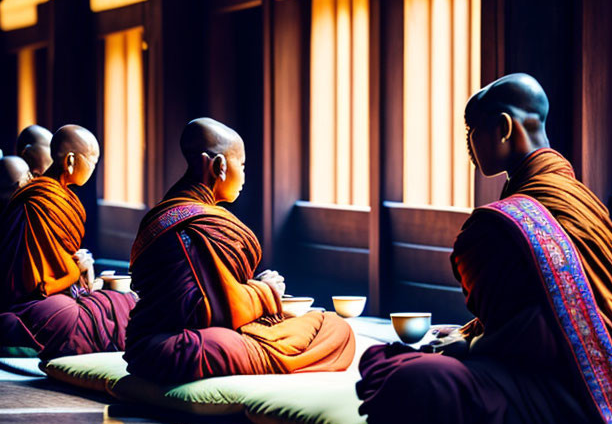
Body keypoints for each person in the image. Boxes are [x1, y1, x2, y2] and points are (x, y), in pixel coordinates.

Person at [356, 74, 612, 424]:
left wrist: (471, 347)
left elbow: (536, 335)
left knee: (402, 377)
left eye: (471, 130)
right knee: (419, 359)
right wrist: (470, 337)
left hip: (549, 378)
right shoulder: (585, 201)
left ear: (503, 128)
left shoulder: (494, 226)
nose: (468, 144)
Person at [124, 118, 355, 383]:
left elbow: (206, 292)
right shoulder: (196, 222)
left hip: (144, 348)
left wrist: (250, 288)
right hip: (185, 347)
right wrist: (267, 291)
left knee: (320, 325)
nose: (244, 176)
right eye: (241, 165)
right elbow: (205, 312)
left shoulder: (163, 215)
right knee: (336, 329)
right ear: (219, 166)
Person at [0, 125, 134, 358]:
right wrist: (76, 268)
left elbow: (60, 256)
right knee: (71, 318)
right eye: (92, 161)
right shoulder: (34, 201)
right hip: (37, 299)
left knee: (125, 302)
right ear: (71, 161)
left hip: (68, 291)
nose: (94, 168)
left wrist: (83, 269)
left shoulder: (66, 198)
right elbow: (30, 277)